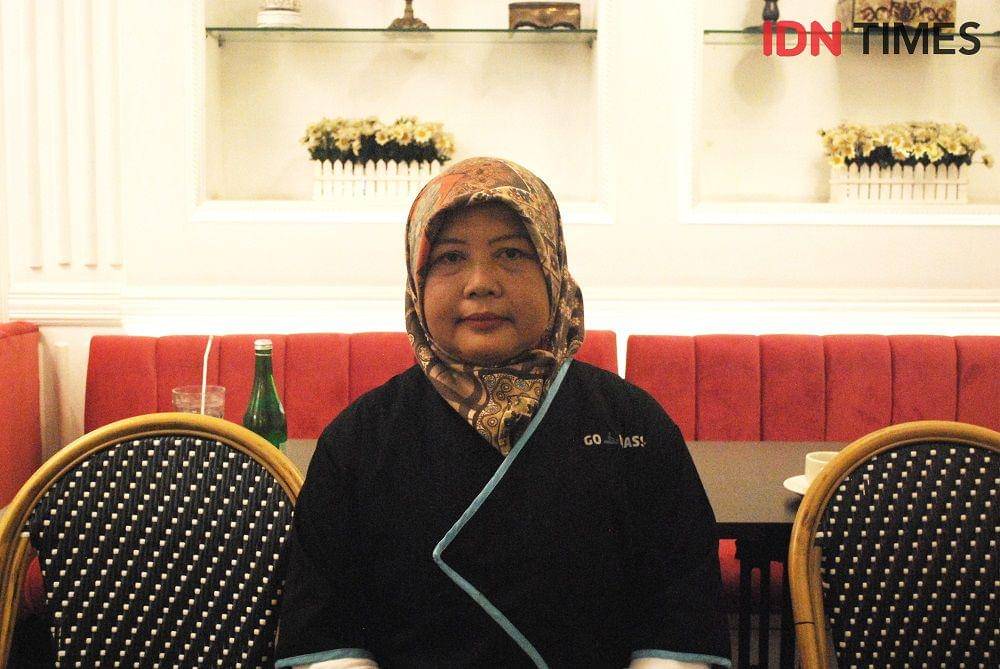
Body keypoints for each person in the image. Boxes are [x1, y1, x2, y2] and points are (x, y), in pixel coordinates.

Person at [274, 157, 731, 669]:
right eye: (450, 257)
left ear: (553, 270)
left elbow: (679, 626)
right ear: (417, 280)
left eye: (511, 253)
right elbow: (327, 639)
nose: (481, 283)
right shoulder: (357, 441)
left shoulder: (634, 426)